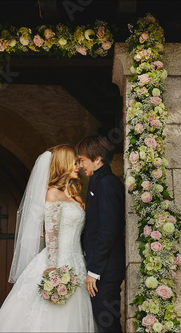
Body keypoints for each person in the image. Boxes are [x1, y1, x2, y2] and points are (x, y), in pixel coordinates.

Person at [0, 145, 96, 332]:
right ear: (62, 164)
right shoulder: (52, 193)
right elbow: (51, 234)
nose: (78, 166)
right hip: (58, 262)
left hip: (78, 262)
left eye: (78, 162)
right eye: (74, 162)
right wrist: (53, 270)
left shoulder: (74, 194)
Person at [75, 135, 126, 332]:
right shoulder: (98, 181)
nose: (80, 165)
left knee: (107, 326)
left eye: (82, 160)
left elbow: (108, 229)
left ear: (97, 159)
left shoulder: (106, 183)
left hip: (106, 270)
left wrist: (94, 271)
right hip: (102, 269)